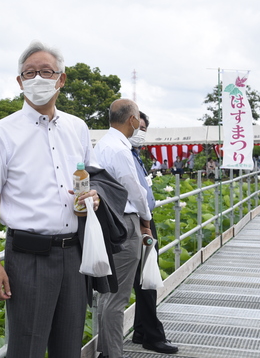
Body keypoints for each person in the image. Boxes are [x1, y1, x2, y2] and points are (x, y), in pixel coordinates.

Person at [0, 42, 100, 358]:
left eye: (46, 72)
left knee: (68, 346)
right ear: (19, 82)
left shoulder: (78, 128)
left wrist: (93, 198)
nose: (38, 79)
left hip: (73, 254)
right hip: (27, 257)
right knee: (25, 348)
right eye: (30, 73)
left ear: (61, 79)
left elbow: (90, 180)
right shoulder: (1, 132)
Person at [94, 100, 155, 358]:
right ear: (132, 119)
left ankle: (104, 349)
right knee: (117, 299)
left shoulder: (101, 145)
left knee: (106, 293)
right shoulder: (120, 150)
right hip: (125, 223)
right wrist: (146, 221)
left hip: (106, 221)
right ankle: (113, 353)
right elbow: (135, 191)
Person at [130, 110, 179, 355]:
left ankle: (141, 330)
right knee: (146, 280)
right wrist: (145, 223)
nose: (140, 133)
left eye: (144, 129)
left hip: (145, 219)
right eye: (138, 127)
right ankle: (152, 335)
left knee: (145, 278)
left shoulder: (135, 155)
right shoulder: (121, 154)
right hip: (137, 223)